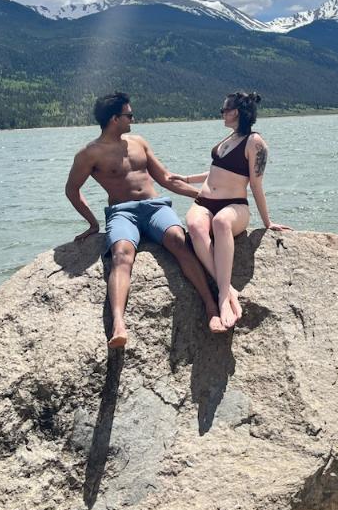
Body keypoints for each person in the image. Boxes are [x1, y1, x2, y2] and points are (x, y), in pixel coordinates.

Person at [65, 92, 226, 348]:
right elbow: (72, 189)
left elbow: (165, 178)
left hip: (155, 207)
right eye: (129, 114)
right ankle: (118, 324)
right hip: (122, 211)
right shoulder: (89, 153)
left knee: (179, 241)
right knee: (121, 254)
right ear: (114, 118)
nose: (133, 118)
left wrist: (204, 197)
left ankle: (210, 306)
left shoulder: (138, 142)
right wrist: (93, 223)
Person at [170, 91, 291, 330]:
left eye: (224, 109)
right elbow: (216, 171)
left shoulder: (255, 142)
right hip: (203, 203)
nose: (221, 113)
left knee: (222, 223)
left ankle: (223, 298)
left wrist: (267, 222)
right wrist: (185, 178)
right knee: (194, 226)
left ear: (235, 112)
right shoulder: (230, 137)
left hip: (234, 206)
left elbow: (256, 184)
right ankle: (228, 289)